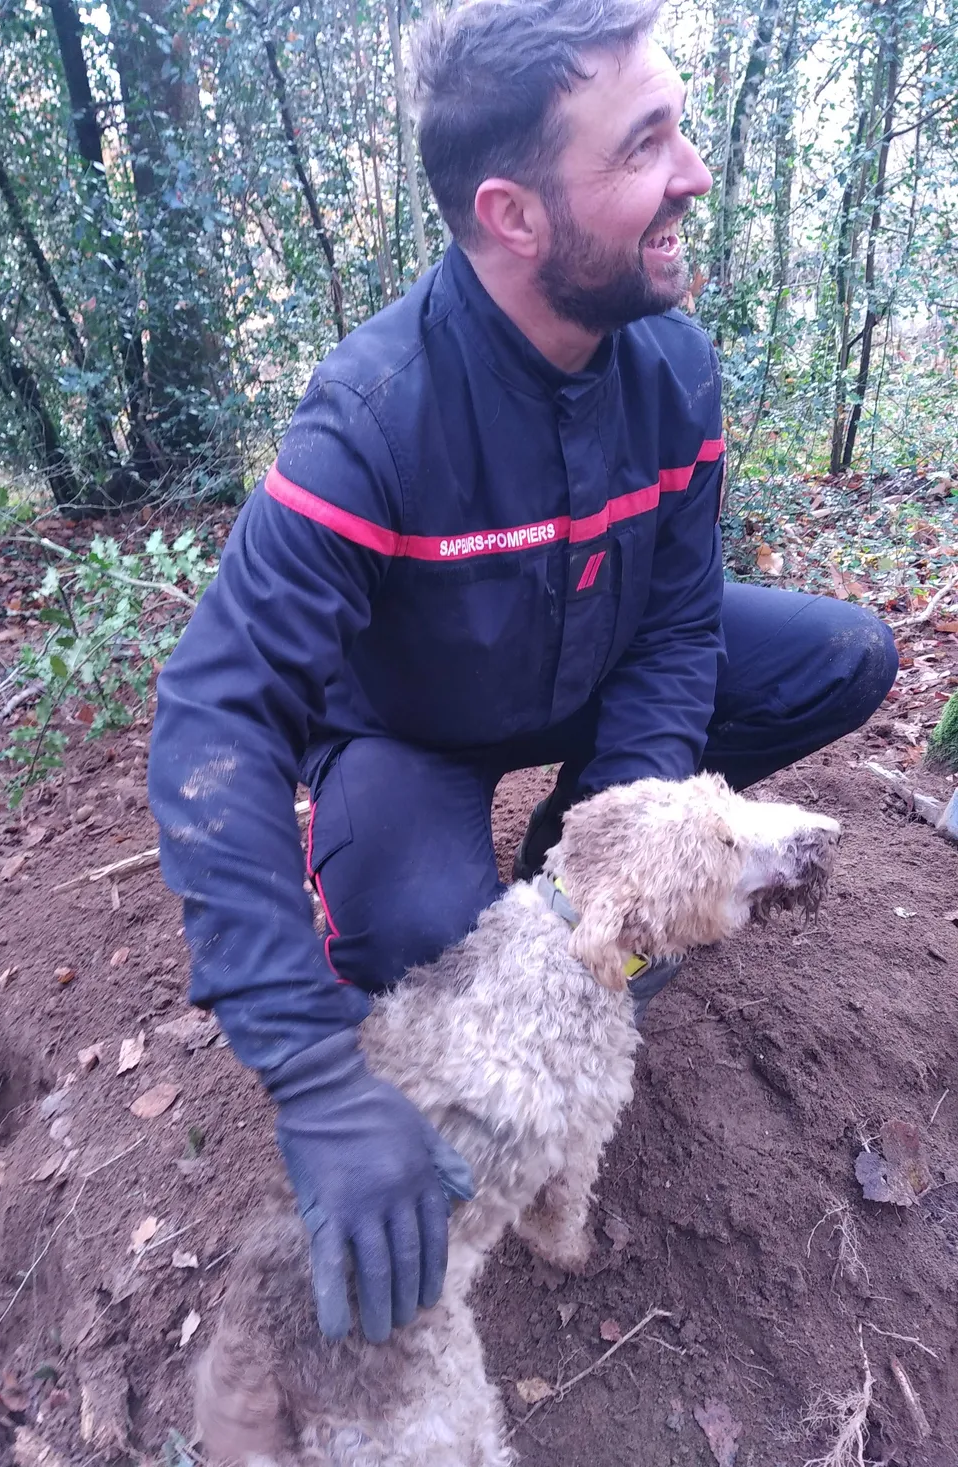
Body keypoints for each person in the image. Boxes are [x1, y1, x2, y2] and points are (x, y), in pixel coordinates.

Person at [148, 0, 897, 1349]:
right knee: (417, 925)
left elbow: (678, 629)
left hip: (593, 659)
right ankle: (457, 948)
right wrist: (314, 1071)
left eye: (679, 127)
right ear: (514, 213)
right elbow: (214, 714)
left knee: (846, 655)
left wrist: (601, 873)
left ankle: (566, 897)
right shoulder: (373, 418)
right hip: (412, 725)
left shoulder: (671, 366)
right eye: (644, 145)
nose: (694, 173)